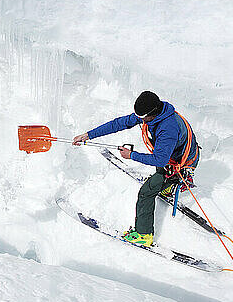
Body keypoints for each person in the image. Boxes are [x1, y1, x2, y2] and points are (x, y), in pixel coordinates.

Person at [72, 91, 199, 247]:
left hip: (181, 164)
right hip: (170, 155)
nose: (139, 120)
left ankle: (144, 235)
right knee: (159, 164)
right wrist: (88, 135)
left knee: (146, 192)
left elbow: (160, 159)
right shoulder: (155, 113)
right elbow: (119, 123)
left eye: (142, 118)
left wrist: (131, 155)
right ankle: (168, 185)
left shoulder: (168, 128)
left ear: (152, 113)